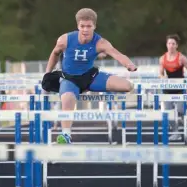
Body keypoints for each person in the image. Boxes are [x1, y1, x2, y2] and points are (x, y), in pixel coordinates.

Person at [43, 8, 137, 144]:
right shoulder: (65, 40)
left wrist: (129, 64)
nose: (85, 30)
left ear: (94, 26)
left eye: (89, 26)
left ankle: (87, 88)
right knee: (68, 99)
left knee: (127, 86)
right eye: (82, 26)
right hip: (70, 78)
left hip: (90, 76)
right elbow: (54, 54)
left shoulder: (101, 42)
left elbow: (117, 54)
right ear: (77, 26)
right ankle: (66, 135)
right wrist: (47, 72)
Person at [158, 34, 187, 141]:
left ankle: (184, 121)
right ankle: (176, 132)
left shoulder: (181, 58)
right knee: (169, 113)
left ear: (176, 45)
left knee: (180, 111)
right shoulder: (162, 59)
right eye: (169, 43)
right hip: (167, 89)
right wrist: (162, 77)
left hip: (179, 89)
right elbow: (160, 73)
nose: (171, 45)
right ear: (166, 45)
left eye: (173, 44)